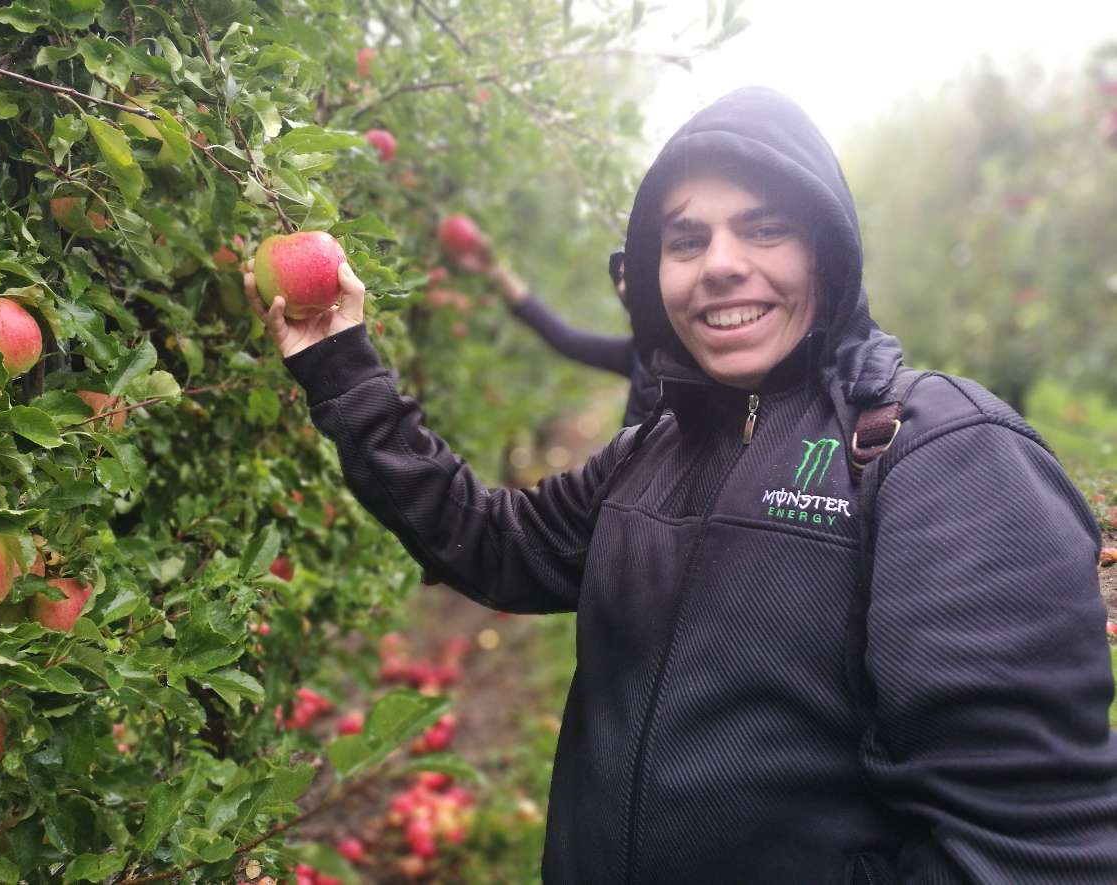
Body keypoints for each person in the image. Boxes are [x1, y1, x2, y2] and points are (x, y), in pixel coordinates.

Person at [247, 87, 1117, 884]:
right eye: (686, 239)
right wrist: (341, 366)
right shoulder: (649, 451)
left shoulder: (940, 458)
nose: (720, 264)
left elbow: (1027, 851)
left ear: (828, 251)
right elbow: (485, 542)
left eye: (764, 228)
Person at [454, 244, 659, 426]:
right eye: (621, 277)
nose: (622, 287)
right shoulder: (640, 353)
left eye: (633, 275)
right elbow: (565, 340)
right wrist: (495, 271)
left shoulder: (686, 363)